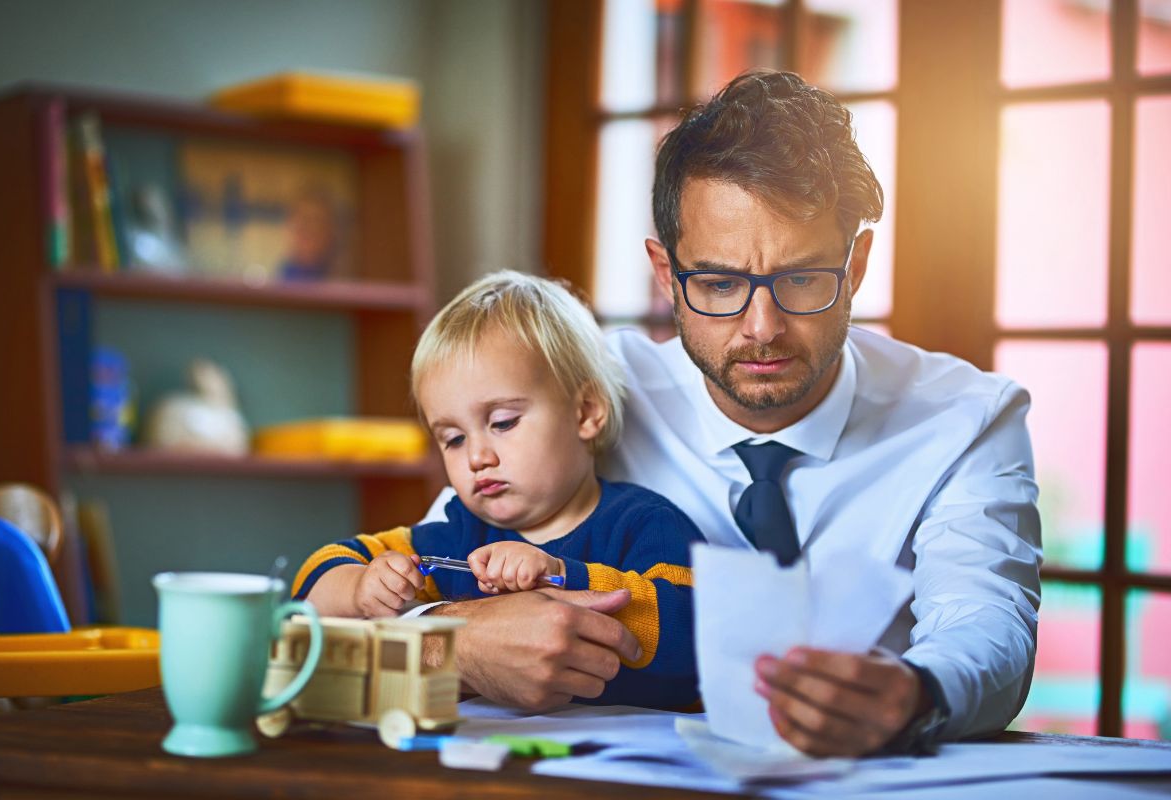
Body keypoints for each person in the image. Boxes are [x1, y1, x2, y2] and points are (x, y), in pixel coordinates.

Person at [417, 70, 1041, 757]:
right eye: (719, 283)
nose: (761, 328)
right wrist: (454, 642)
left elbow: (988, 628)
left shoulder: (966, 419)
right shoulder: (581, 395)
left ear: (856, 264)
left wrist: (914, 694)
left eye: (802, 278)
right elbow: (423, 558)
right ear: (665, 274)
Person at [293, 271, 704, 709]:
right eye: (453, 439)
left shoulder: (642, 521)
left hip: (625, 759)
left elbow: (698, 623)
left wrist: (559, 574)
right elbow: (310, 584)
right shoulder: (457, 532)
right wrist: (360, 589)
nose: (476, 457)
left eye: (503, 422)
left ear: (586, 413)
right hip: (484, 756)